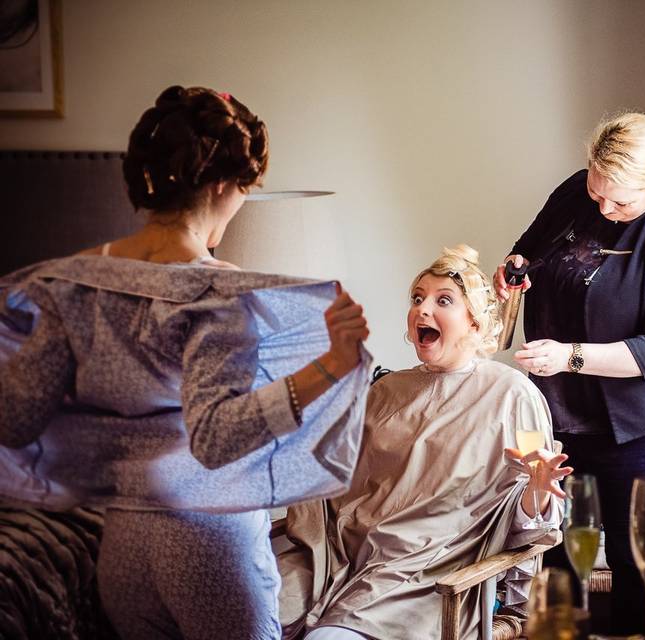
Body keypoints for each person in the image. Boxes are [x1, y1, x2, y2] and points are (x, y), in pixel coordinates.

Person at [0, 85, 370, 640]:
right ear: (222, 185)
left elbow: (16, 419)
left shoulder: (70, 282)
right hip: (208, 541)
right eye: (245, 189)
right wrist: (330, 366)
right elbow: (216, 439)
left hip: (123, 545)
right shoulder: (216, 295)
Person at [277, 245, 573, 640]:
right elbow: (336, 478)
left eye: (443, 300)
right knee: (240, 609)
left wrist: (537, 490)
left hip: (426, 573)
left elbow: (528, 518)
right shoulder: (386, 390)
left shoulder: (513, 394)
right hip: (335, 555)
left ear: (475, 323)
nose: (422, 309)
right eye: (417, 298)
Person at [494, 112, 645, 634]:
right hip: (552, 417)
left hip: (633, 428)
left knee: (635, 564)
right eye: (597, 191)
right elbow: (526, 252)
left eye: (619, 201)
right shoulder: (578, 191)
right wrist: (512, 271)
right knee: (551, 552)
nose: (603, 207)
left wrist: (568, 356)